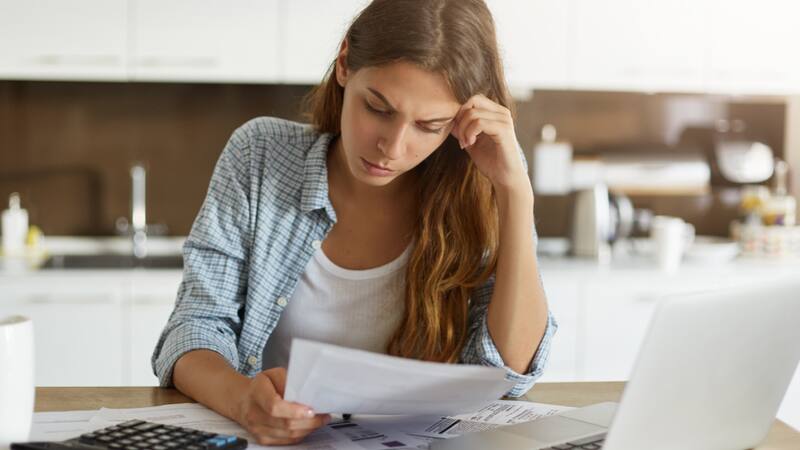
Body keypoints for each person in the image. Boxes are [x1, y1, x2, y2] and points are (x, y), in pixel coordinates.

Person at [151, 0, 557, 445]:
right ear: (345, 64)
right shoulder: (260, 156)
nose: (392, 146)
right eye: (378, 109)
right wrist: (243, 399)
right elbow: (195, 327)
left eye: (429, 125)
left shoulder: (481, 191)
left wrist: (514, 191)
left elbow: (509, 373)